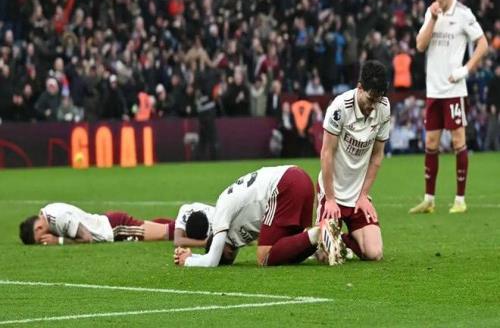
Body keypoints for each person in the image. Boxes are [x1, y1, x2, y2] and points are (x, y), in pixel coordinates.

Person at [409, 0, 488, 214]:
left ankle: (460, 200)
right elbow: (420, 46)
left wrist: (466, 69)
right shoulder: (431, 12)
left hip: (454, 90)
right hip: (433, 91)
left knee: (458, 141)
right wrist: (432, 19)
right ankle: (429, 200)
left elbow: (483, 43)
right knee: (431, 142)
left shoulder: (463, 14)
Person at [174, 165, 340, 267]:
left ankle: (318, 232)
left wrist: (188, 260)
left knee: (263, 256)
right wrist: (194, 255)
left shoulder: (219, 217)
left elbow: (211, 261)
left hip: (284, 184)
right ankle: (323, 245)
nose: (233, 253)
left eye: (228, 254)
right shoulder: (235, 229)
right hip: (299, 177)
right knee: (286, 252)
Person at [318, 60, 391, 261]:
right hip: (333, 192)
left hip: (357, 195)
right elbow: (326, 153)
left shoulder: (383, 108)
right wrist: (330, 199)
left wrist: (363, 195)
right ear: (360, 88)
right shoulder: (339, 107)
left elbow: (377, 156)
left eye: (378, 100)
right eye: (370, 99)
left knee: (374, 254)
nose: (373, 106)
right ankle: (320, 236)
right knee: (325, 256)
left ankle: (338, 239)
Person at [19, 202, 177, 245]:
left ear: (39, 228)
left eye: (40, 239)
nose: (44, 240)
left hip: (114, 228)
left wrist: (58, 241)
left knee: (165, 233)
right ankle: (183, 223)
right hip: (107, 222)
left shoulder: (59, 218)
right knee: (152, 227)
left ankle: (189, 227)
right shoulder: (46, 213)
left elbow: (87, 238)